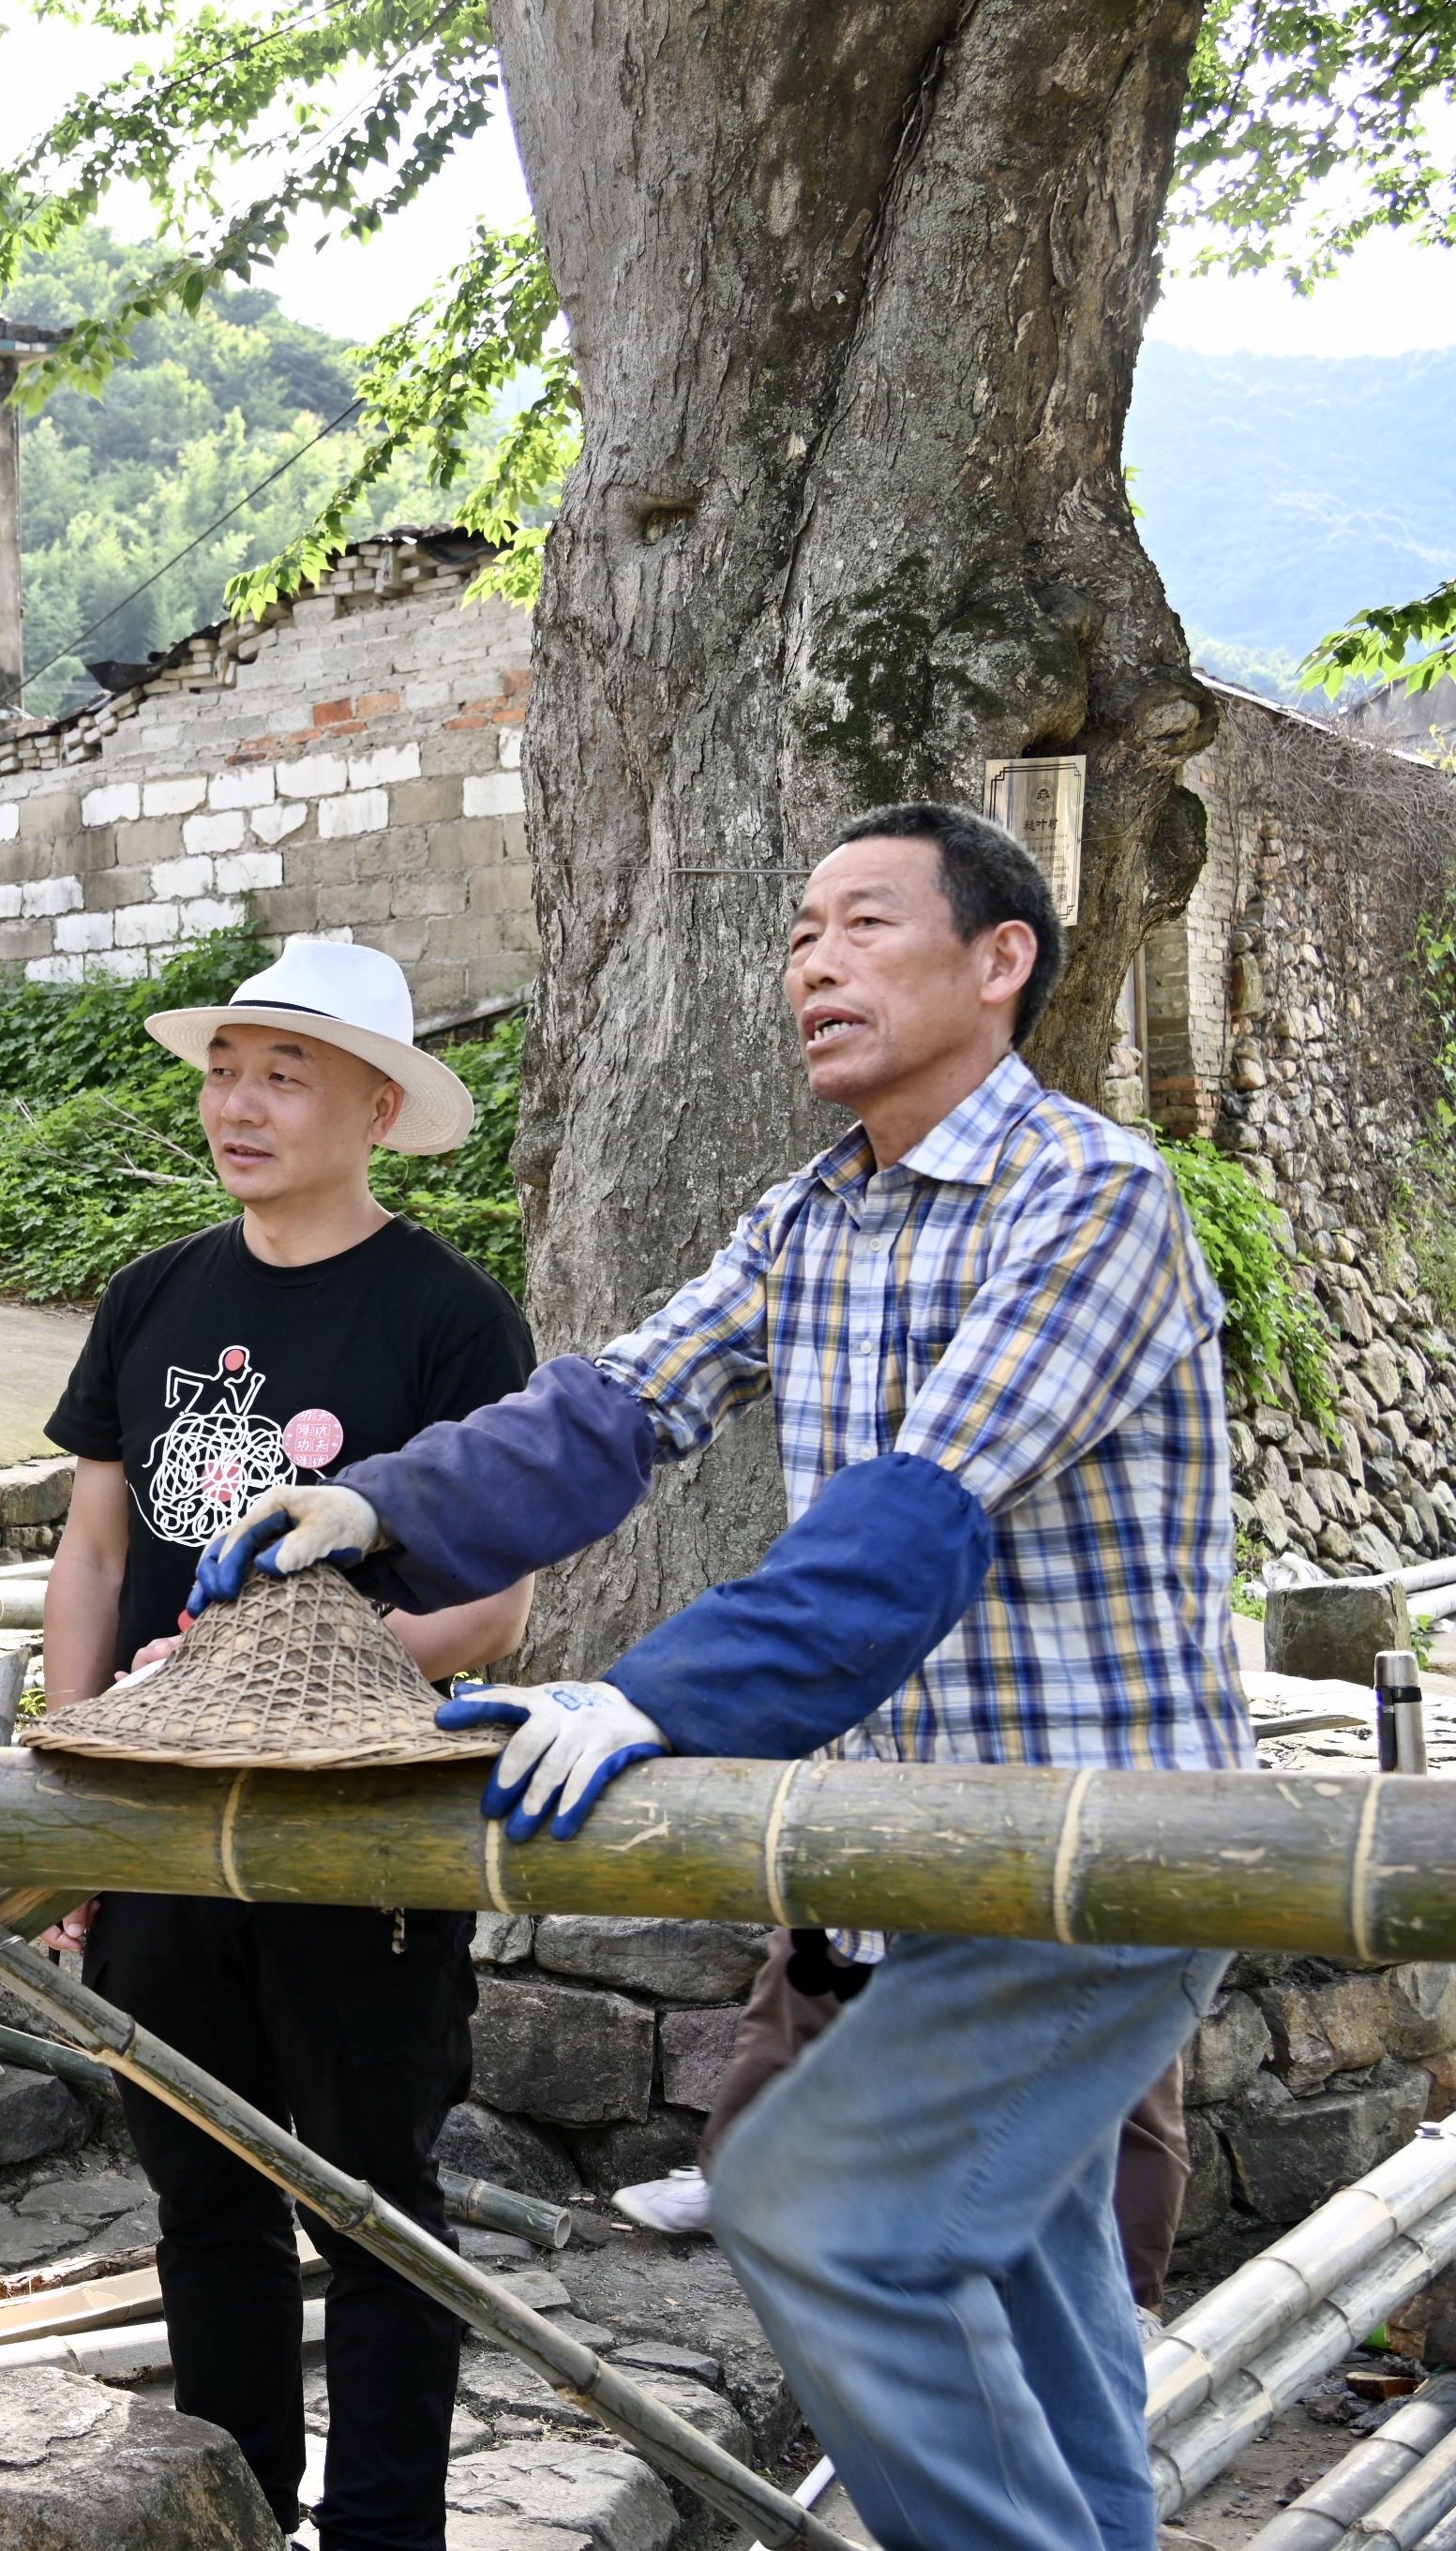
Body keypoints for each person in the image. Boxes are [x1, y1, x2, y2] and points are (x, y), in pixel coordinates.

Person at [199, 803, 1250, 2551]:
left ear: (1000, 963)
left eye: (860, 924)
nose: (812, 963)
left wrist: (648, 1698)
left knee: (812, 2204)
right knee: (1037, 2276)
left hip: (1102, 1853)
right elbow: (615, 1405)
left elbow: (917, 1513)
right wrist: (373, 1503)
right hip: (937, 1858)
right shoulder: (807, 1218)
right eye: (793, 935)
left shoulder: (1089, 1195)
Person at [31, 935, 537, 2551]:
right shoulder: (153, 1295)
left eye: (283, 1073)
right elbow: (97, 1556)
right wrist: (75, 1774)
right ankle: (229, 2510)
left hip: (365, 1829)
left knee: (378, 2204)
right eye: (223, 1069)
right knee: (200, 2196)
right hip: (161, 1823)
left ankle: (386, 2534)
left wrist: (315, 1682)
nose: (236, 1104)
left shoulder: (451, 1320)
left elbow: (496, 1605)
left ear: (378, 1106)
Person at [619, 1941, 1196, 2314]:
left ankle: (1126, 2304)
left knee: (1127, 2074)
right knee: (807, 1974)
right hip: (902, 1802)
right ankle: (736, 2181)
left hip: (1118, 1835)